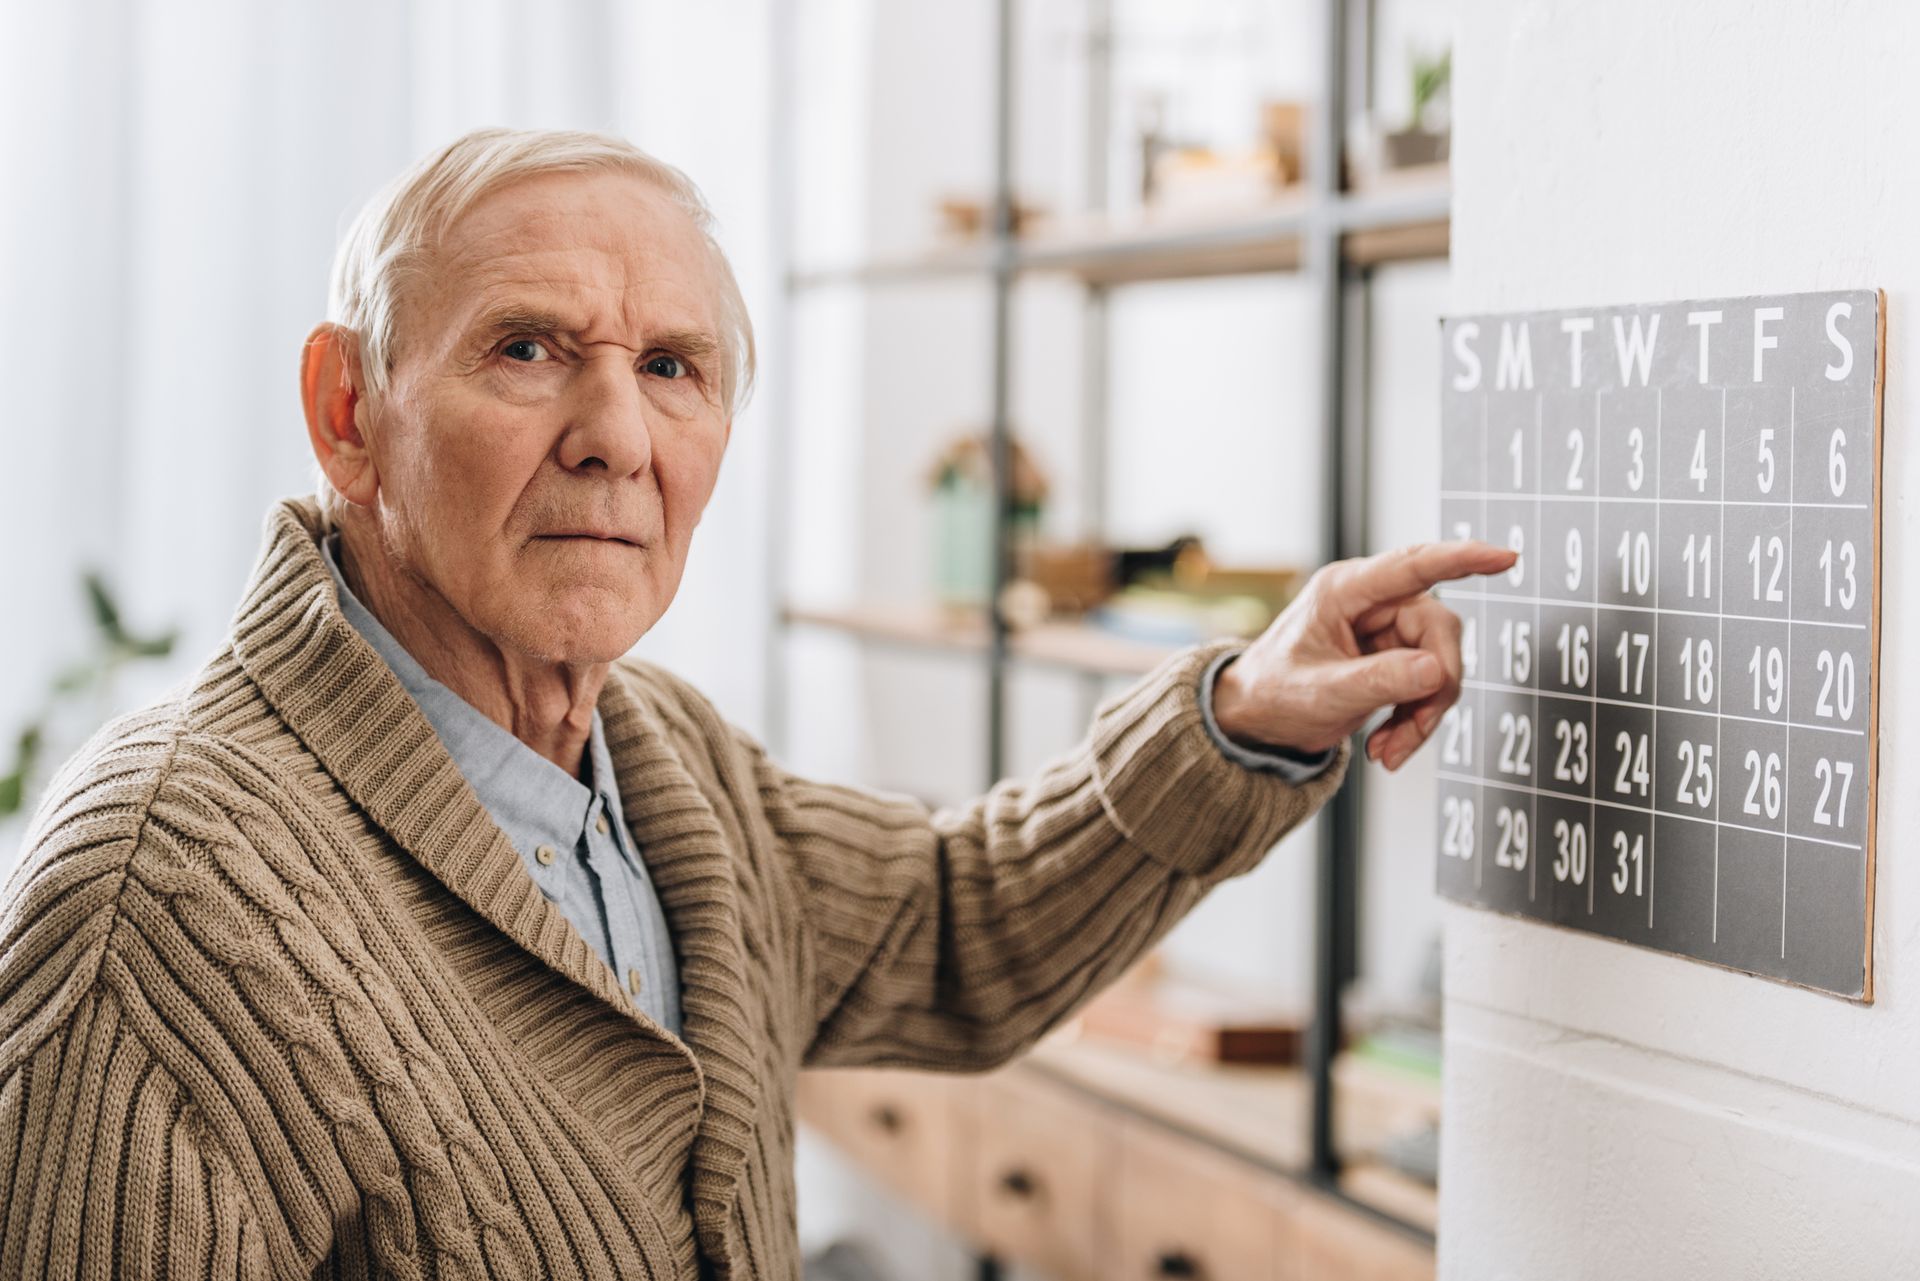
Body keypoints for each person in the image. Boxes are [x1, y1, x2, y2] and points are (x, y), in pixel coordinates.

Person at [0, 127, 1511, 1279]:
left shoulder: (660, 757)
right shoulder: (156, 901)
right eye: (528, 350)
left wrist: (1247, 704)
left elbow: (952, 919)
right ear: (349, 413)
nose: (616, 435)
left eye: (673, 367)